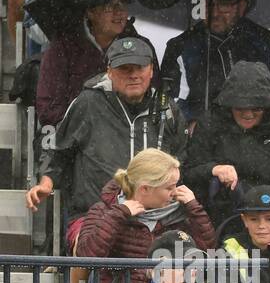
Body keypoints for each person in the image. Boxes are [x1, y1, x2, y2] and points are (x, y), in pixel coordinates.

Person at [28, 35, 187, 240]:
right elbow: (58, 151)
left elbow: (181, 161)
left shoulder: (168, 110)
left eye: (140, 68)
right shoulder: (87, 103)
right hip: (94, 216)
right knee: (94, 247)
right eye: (125, 69)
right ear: (110, 72)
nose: (134, 75)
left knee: (178, 253)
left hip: (155, 219)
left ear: (151, 70)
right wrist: (45, 184)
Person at [181, 60, 270, 237]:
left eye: (256, 108)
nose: (248, 114)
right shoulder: (210, 122)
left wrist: (267, 199)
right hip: (223, 216)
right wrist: (213, 169)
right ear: (229, 104)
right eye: (240, 108)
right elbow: (189, 171)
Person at [74, 148, 215, 283]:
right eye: (169, 187)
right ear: (145, 189)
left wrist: (195, 208)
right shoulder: (105, 210)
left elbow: (208, 253)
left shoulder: (182, 212)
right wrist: (118, 215)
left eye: (176, 184)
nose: (175, 192)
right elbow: (85, 257)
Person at [160, 0, 270, 121]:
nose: (215, 12)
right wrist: (195, 125)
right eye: (209, 3)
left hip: (255, 140)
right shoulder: (180, 47)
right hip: (200, 141)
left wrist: (253, 127)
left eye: (223, 4)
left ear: (242, 6)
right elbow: (169, 107)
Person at [35, 0, 132, 127]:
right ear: (91, 12)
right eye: (110, 6)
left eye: (122, 5)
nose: (119, 12)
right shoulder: (63, 47)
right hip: (76, 138)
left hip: (128, 138)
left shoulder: (139, 47)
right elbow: (48, 109)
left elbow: (151, 102)